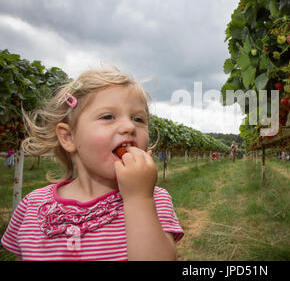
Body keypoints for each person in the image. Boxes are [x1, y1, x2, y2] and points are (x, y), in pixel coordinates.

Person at [1, 68, 184, 261]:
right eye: (108, 117)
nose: (129, 127)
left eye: (138, 119)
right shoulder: (32, 205)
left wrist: (139, 199)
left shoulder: (153, 200)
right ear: (68, 137)